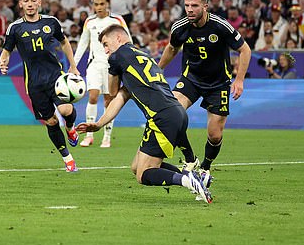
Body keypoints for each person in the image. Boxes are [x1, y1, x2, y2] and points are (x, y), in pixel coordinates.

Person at [76, 25, 212, 203]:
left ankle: (187, 181)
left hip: (161, 117)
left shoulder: (117, 57)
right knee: (135, 166)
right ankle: (193, 176)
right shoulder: (141, 57)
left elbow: (112, 91)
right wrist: (99, 124)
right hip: (175, 111)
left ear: (119, 38)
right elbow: (120, 97)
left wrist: (111, 69)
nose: (105, 50)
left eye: (106, 44)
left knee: (143, 174)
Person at [158, 0, 252, 181]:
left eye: (194, 5)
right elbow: (172, 48)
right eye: (187, 5)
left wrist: (239, 79)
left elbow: (245, 50)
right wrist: (158, 70)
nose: (190, 9)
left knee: (215, 134)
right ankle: (190, 159)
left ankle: (206, 167)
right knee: (172, 113)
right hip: (191, 79)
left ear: (205, 6)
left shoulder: (220, 26)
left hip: (218, 84)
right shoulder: (180, 27)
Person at [0, 0, 81, 172]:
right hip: (34, 84)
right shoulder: (15, 28)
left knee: (66, 109)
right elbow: (6, 51)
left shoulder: (51, 22)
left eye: (33, 0)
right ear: (20, 4)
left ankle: (70, 128)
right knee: (51, 122)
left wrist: (73, 66)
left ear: (39, 3)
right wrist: (3, 62)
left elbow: (64, 42)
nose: (29, 4)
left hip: (56, 77)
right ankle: (68, 159)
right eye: (26, 1)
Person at [73, 0, 131, 148]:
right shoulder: (89, 21)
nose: (98, 7)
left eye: (101, 4)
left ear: (107, 4)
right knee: (92, 96)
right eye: (96, 4)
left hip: (112, 66)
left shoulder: (117, 20)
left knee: (108, 100)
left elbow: (128, 41)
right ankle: (89, 135)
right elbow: (83, 44)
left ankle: (107, 136)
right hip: (94, 65)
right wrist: (73, 65)